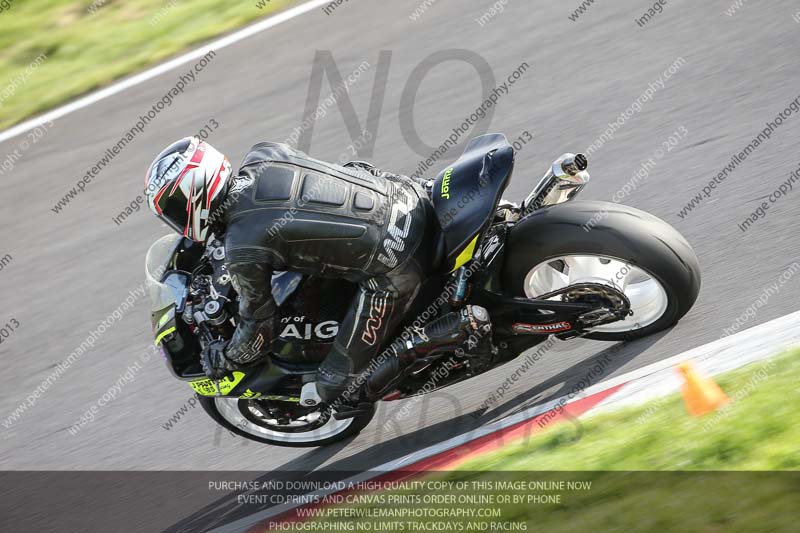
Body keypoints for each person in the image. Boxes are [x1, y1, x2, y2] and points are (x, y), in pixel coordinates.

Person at [144, 136, 489, 409]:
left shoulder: (244, 248)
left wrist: (226, 357)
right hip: (407, 196)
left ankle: (458, 329)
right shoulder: (264, 154)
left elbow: (259, 327)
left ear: (192, 199)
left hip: (394, 266)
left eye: (173, 209)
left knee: (337, 388)